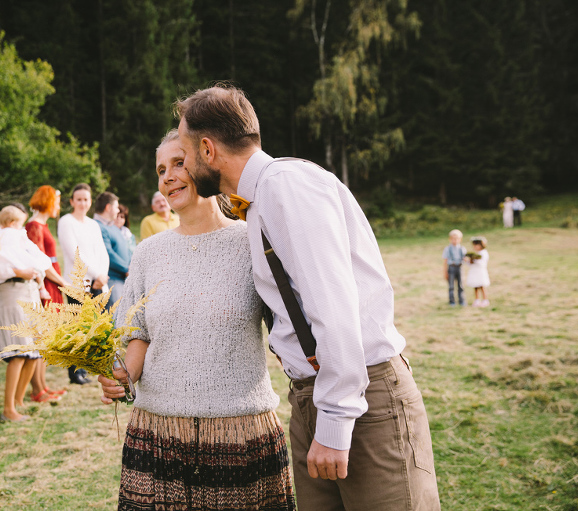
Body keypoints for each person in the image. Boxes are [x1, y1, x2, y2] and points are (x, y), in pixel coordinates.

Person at [174, 86, 440, 510]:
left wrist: (334, 420)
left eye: (184, 153)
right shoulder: (259, 201)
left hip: (362, 399)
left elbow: (333, 310)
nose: (183, 166)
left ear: (207, 149)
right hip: (312, 395)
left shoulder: (288, 187)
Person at [99, 129, 295, 510]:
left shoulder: (250, 241)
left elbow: (290, 324)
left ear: (206, 161)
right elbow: (138, 335)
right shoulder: (148, 253)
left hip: (238, 434)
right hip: (157, 433)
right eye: (160, 169)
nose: (167, 176)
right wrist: (123, 375)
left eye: (177, 163)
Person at [0, 205, 52, 421]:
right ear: (12, 222)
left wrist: (37, 279)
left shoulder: (19, 239)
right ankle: (8, 408)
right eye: (20, 223)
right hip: (12, 292)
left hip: (29, 290)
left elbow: (41, 260)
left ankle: (19, 401)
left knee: (34, 351)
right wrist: (17, 270)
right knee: (19, 351)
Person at [57, 183, 109, 385]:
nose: (82, 203)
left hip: (97, 282)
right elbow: (74, 253)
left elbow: (101, 252)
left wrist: (102, 274)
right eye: (78, 199)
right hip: (77, 283)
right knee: (76, 328)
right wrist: (95, 273)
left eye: (86, 199)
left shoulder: (93, 224)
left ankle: (89, 366)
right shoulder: (66, 221)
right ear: (71, 201)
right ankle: (75, 371)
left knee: (92, 327)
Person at [25, 186, 71, 402]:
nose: (59, 207)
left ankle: (43, 386)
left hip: (54, 282)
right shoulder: (33, 226)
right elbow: (40, 263)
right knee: (41, 336)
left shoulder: (43, 225)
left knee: (48, 338)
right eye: (57, 202)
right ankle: (37, 389)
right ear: (48, 201)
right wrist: (63, 283)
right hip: (48, 283)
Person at [93, 192, 131, 308]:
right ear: (108, 208)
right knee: (114, 316)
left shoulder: (112, 227)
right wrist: (126, 268)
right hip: (112, 279)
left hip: (122, 277)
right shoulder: (98, 227)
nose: (117, 211)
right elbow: (107, 253)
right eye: (116, 207)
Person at [443, 229, 467, 307]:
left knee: (461, 285)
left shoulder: (462, 249)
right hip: (451, 268)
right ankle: (452, 301)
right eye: (453, 238)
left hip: (459, 268)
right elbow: (445, 261)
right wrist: (445, 272)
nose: (455, 240)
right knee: (451, 286)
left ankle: (462, 300)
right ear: (450, 239)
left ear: (460, 239)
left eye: (457, 238)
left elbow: (465, 259)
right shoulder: (447, 249)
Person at [465, 236, 490, 307]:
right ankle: (477, 299)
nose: (475, 246)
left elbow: (482, 262)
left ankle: (485, 300)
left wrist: (475, 259)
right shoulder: (475, 253)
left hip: (480, 271)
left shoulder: (483, 253)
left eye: (476, 245)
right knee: (475, 286)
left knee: (482, 286)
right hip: (474, 272)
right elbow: (470, 264)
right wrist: (469, 260)